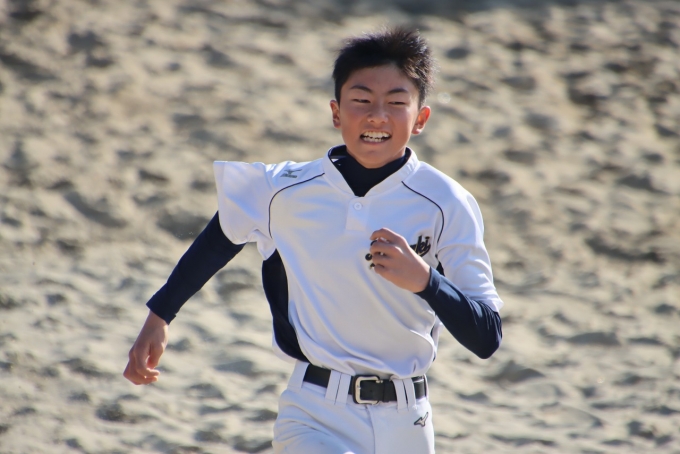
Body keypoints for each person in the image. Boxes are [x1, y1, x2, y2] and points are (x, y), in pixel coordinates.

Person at [124, 27, 503, 454]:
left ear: (420, 119)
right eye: (361, 100)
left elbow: (487, 337)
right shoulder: (283, 189)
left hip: (409, 423)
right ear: (336, 112)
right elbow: (219, 239)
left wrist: (426, 281)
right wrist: (159, 316)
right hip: (314, 412)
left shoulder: (449, 202)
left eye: (396, 103)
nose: (377, 116)